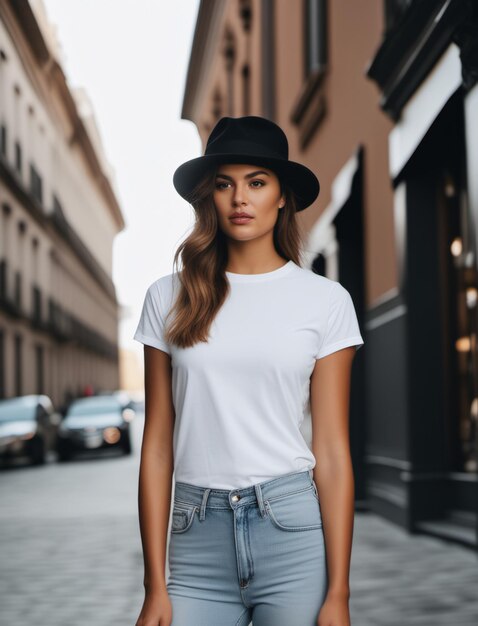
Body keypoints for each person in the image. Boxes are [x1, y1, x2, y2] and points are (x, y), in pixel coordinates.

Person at [133, 116, 364, 626]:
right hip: (195, 539)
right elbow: (156, 443)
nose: (240, 198)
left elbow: (331, 448)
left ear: (282, 195)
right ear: (209, 198)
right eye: (224, 184)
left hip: (292, 532)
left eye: (256, 182)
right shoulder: (167, 297)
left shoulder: (325, 302)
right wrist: (154, 585)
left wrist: (339, 594)